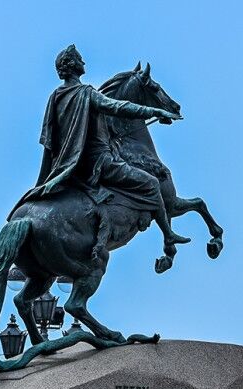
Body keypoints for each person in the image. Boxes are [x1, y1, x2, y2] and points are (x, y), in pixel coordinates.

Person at [16, 45, 189, 257]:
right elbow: (118, 107)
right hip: (101, 162)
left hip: (72, 165)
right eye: (80, 59)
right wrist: (154, 110)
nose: (84, 63)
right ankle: (169, 236)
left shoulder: (56, 97)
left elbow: (52, 137)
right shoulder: (85, 93)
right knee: (152, 184)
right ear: (72, 66)